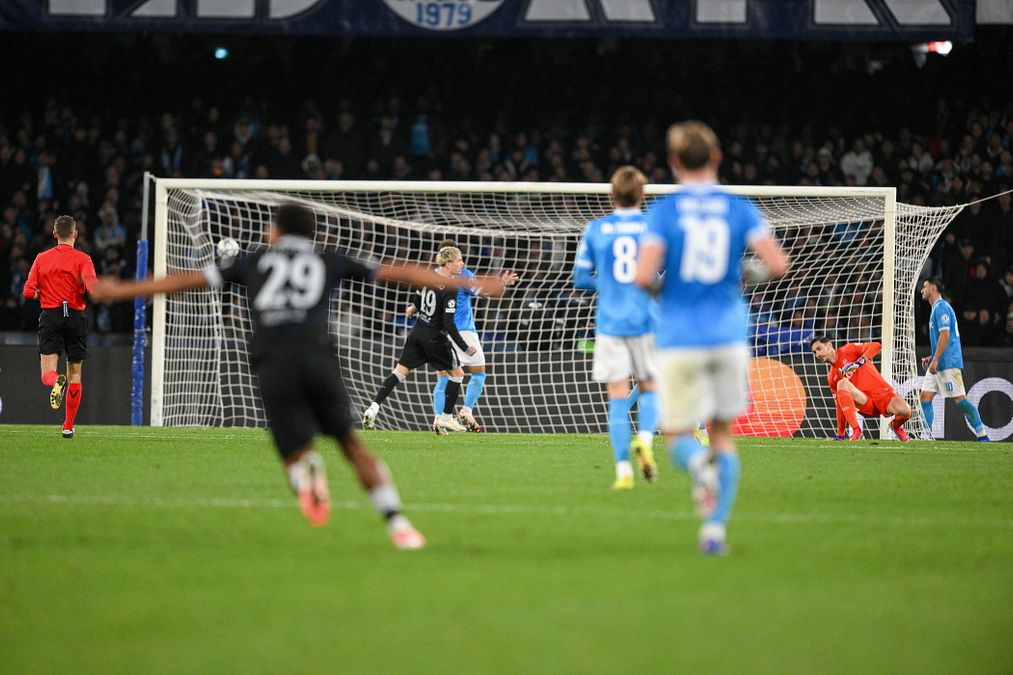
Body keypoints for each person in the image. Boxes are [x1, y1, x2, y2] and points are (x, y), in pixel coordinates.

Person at [91, 204, 506, 549]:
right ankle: (399, 526)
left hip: (273, 364)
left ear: (274, 231)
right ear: (310, 234)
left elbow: (186, 280)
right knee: (351, 446)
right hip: (318, 359)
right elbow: (397, 272)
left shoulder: (253, 261)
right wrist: (477, 282)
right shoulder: (327, 260)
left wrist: (122, 290)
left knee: (293, 450)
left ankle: (304, 470)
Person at [635, 121, 789, 555]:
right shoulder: (738, 208)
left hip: (680, 334)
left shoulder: (665, 211)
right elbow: (777, 264)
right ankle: (714, 532)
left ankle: (698, 466)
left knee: (678, 435)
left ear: (674, 163)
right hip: (727, 334)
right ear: (718, 158)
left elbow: (644, 274)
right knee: (723, 436)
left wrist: (668, 291)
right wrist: (741, 276)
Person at [572, 166, 661, 490]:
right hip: (645, 321)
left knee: (617, 398)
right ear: (641, 195)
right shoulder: (654, 227)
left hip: (610, 323)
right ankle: (646, 439)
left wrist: (608, 286)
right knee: (651, 387)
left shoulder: (596, 229)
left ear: (612, 195)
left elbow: (579, 278)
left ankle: (623, 471)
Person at [362, 245, 509, 435]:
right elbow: (449, 323)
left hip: (417, 333)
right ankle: (446, 417)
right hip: (436, 338)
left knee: (399, 373)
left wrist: (412, 309)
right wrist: (465, 347)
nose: (462, 263)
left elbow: (417, 299)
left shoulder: (429, 278)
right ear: (448, 264)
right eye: (459, 260)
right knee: (458, 375)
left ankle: (373, 407)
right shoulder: (450, 287)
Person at [426, 239, 518, 433]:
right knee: (478, 372)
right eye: (459, 258)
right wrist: (501, 283)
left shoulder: (433, 276)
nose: (462, 262)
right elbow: (483, 292)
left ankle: (438, 418)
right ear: (450, 259)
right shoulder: (462, 274)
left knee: (444, 376)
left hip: (439, 332)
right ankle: (467, 409)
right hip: (463, 331)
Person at [23, 215, 98, 439]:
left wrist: (43, 294)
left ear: (54, 234)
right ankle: (67, 426)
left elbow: (28, 291)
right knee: (75, 374)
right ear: (75, 234)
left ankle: (56, 381)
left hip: (51, 316)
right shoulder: (83, 259)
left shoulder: (42, 258)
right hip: (76, 317)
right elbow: (93, 288)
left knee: (47, 372)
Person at [917, 277, 990, 441]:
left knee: (960, 401)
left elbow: (945, 335)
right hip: (939, 361)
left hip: (948, 362)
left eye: (925, 286)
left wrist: (935, 360)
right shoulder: (936, 308)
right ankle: (924, 437)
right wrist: (933, 357)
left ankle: (983, 435)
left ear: (934, 288)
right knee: (925, 397)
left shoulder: (942, 307)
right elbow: (943, 339)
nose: (922, 290)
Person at [809, 337, 913, 441]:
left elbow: (877, 345)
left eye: (819, 349)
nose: (817, 355)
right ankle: (856, 430)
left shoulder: (848, 350)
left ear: (829, 346)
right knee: (842, 383)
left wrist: (858, 363)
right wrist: (840, 434)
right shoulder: (832, 377)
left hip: (882, 394)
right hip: (865, 402)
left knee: (906, 411)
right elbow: (840, 406)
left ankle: (896, 425)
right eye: (814, 352)